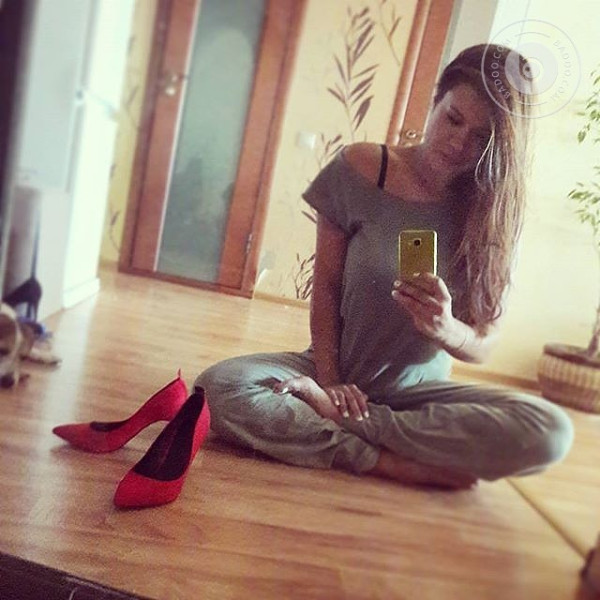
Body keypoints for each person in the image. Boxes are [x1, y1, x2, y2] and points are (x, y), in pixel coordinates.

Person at [196, 44, 574, 489]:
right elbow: (326, 288)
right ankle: (385, 460)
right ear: (436, 100)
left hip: (419, 399)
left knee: (550, 432)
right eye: (453, 119)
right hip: (331, 371)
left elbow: (484, 344)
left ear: (499, 147)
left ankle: (344, 424)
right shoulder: (360, 169)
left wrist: (447, 329)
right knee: (216, 388)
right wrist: (332, 383)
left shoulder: (494, 214)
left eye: (481, 137)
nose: (459, 142)